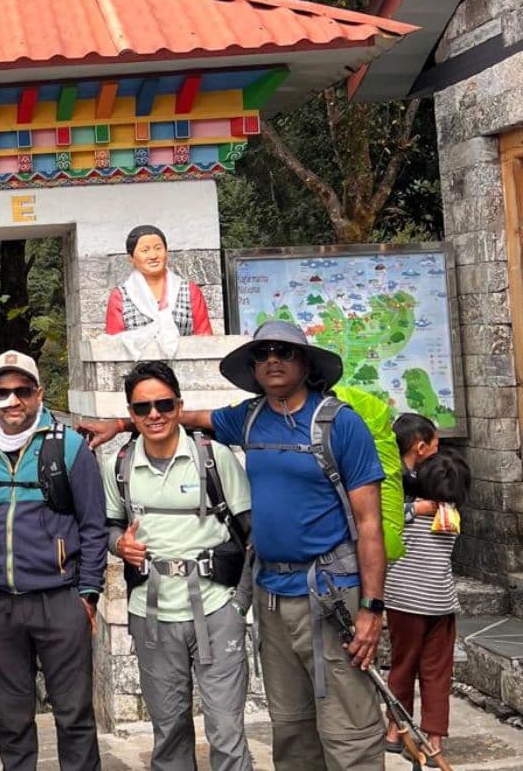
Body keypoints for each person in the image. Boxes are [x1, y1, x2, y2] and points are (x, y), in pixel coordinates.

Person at [83, 320, 388, 771]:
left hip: (330, 591)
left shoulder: (340, 425)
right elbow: (176, 417)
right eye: (263, 353)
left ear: (306, 363)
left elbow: (369, 523)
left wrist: (372, 607)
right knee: (291, 726)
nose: (273, 360)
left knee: (348, 731)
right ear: (253, 367)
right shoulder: (249, 418)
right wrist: (120, 424)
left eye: (284, 352)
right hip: (272, 598)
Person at [0, 350, 107, 771]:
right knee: (12, 718)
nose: (12, 400)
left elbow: (93, 525)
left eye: (22, 390)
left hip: (60, 598)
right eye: (2, 392)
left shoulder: (68, 447)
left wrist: (88, 593)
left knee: (74, 713)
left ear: (39, 393)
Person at [103, 361, 254, 771]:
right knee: (168, 732)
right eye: (142, 407)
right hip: (152, 614)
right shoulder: (119, 466)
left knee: (226, 731)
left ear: (179, 406)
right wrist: (120, 545)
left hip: (216, 608)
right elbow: (108, 526)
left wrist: (239, 604)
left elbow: (252, 533)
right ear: (131, 413)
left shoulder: (214, 458)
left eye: (164, 404)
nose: (154, 414)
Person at [384, 414, 469, 762]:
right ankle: (434, 742)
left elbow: (389, 514)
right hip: (441, 603)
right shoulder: (452, 516)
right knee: (437, 672)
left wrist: (412, 506)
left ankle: (395, 732)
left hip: (403, 601)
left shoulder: (405, 512)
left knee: (403, 666)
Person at [103, 225, 213, 354]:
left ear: (166, 252)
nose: (153, 255)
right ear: (131, 258)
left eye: (158, 248)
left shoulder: (189, 291)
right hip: (138, 367)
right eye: (145, 250)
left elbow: (206, 340)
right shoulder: (120, 296)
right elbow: (113, 346)